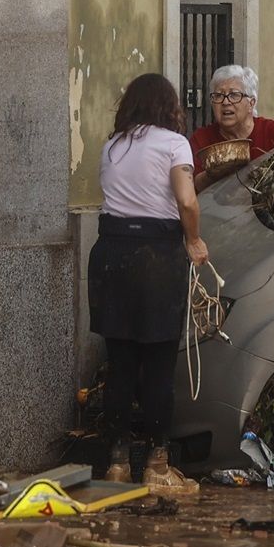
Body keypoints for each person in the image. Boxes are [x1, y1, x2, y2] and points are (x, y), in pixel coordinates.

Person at [90, 73, 210, 492]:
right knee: (158, 365)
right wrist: (193, 239)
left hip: (111, 253)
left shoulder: (112, 144)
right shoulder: (175, 143)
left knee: (120, 364)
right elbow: (186, 199)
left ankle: (117, 464)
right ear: (169, 106)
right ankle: (158, 465)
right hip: (156, 257)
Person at [188, 64, 274, 191]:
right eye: (218, 96)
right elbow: (191, 186)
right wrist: (217, 171)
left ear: (251, 103)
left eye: (234, 95)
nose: (225, 102)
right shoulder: (201, 139)